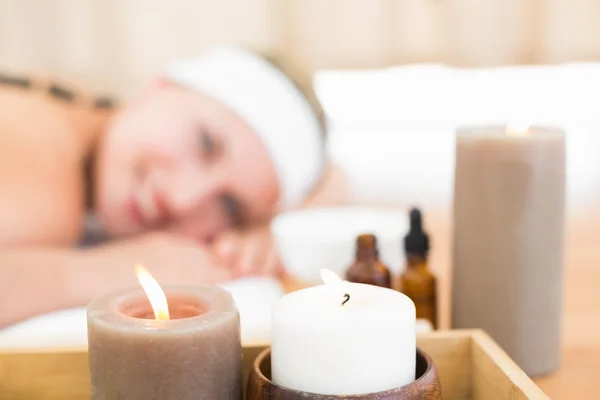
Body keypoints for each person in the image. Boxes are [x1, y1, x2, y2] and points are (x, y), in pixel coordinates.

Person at [0, 46, 347, 326]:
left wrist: (269, 227)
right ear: (161, 85)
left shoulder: (66, 109)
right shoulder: (48, 172)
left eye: (229, 207)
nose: (182, 199)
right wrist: (119, 270)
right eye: (206, 143)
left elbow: (341, 181)